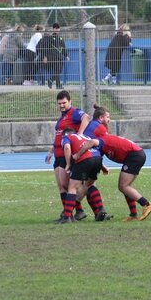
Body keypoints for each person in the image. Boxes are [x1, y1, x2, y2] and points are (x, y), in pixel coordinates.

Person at [74, 118, 151, 222]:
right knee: (126, 187)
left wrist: (77, 154)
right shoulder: (104, 142)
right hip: (136, 155)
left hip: (134, 156)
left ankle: (147, 204)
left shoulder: (100, 140)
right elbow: (98, 156)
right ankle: (133, 214)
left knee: (123, 186)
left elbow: (91, 142)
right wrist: (102, 167)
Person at [45, 90, 92, 221]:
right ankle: (73, 213)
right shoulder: (62, 118)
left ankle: (73, 213)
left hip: (66, 155)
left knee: (68, 185)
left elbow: (86, 117)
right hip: (57, 154)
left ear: (70, 101)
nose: (61, 105)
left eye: (64, 103)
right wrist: (51, 151)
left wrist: (80, 134)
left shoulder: (74, 113)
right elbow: (58, 136)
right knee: (61, 186)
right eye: (59, 103)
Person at [60, 128, 111, 223]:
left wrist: (68, 164)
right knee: (89, 185)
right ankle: (101, 209)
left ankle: (66, 218)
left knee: (72, 187)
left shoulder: (67, 137)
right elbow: (94, 149)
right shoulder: (86, 136)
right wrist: (102, 166)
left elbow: (67, 147)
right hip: (97, 159)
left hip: (84, 160)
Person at [37, 22, 68, 89]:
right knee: (57, 70)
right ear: (53, 29)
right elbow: (46, 47)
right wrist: (45, 56)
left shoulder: (60, 38)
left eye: (58, 28)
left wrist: (66, 55)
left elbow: (63, 47)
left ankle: (51, 81)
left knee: (58, 71)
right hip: (53, 57)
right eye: (55, 28)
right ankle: (57, 85)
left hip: (60, 58)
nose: (57, 30)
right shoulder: (50, 37)